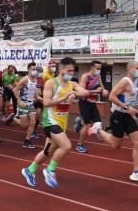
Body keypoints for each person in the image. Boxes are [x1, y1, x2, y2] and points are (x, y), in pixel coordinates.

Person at [21, 57, 89, 188]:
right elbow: (46, 102)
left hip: (61, 123)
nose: (71, 73)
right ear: (61, 69)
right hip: (50, 121)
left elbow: (85, 91)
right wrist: (63, 97)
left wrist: (74, 94)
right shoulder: (51, 83)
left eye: (73, 71)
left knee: (47, 152)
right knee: (66, 146)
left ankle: (30, 170)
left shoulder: (72, 84)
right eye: (69, 70)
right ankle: (50, 170)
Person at [87, 61, 138, 183]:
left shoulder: (134, 82)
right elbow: (111, 96)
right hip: (118, 116)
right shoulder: (125, 81)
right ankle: (98, 129)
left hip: (127, 116)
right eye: (137, 68)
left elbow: (127, 98)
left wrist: (135, 106)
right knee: (115, 145)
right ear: (130, 69)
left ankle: (136, 172)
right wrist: (127, 107)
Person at [75, 60, 108, 153]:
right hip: (84, 103)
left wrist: (104, 91)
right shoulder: (85, 76)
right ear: (92, 68)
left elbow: (101, 88)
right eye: (97, 68)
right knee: (88, 125)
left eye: (100, 68)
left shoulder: (98, 76)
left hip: (93, 103)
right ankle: (79, 145)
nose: (99, 70)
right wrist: (96, 91)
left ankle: (79, 124)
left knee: (97, 123)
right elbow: (81, 92)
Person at [11, 62, 41, 149]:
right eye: (33, 69)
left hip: (30, 104)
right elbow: (14, 90)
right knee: (24, 125)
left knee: (33, 122)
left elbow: (35, 94)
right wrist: (19, 101)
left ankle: (27, 141)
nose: (35, 71)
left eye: (36, 69)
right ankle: (13, 117)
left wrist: (40, 99)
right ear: (28, 70)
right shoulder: (25, 80)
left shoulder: (35, 80)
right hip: (23, 104)